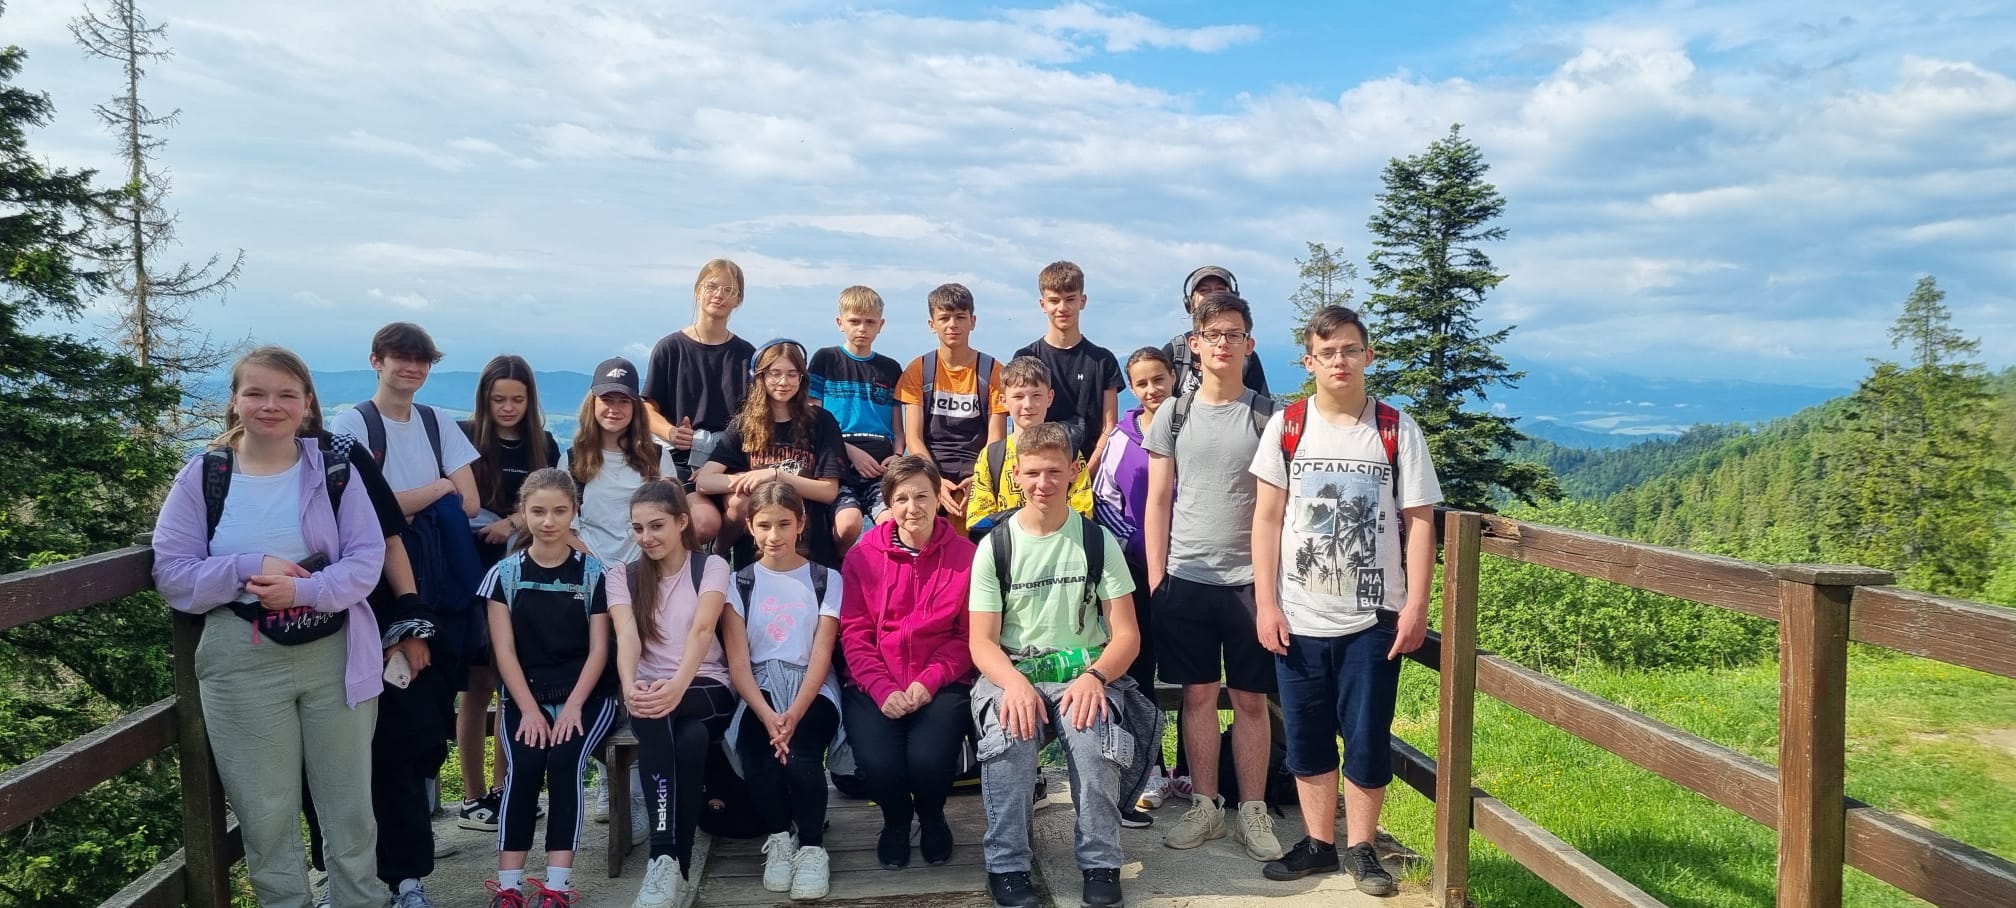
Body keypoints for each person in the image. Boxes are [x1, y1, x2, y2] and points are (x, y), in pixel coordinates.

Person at [152, 346, 388, 908]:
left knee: (349, 803)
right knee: (264, 809)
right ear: (235, 401)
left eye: (286, 394)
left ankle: (360, 900)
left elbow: (366, 560)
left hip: (334, 648)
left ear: (307, 404)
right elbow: (172, 573)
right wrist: (248, 567)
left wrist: (302, 590)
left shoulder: (333, 471)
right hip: (240, 654)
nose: (270, 405)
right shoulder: (204, 476)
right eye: (255, 393)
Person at [1250, 306, 1442, 896]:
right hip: (1299, 614)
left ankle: (1362, 848)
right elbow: (1266, 519)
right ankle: (1318, 843)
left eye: (1350, 350)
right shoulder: (1287, 426)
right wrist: (1266, 604)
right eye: (1328, 352)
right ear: (1309, 361)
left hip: (1373, 618)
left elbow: (1421, 522)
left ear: (1368, 356)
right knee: (1306, 737)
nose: (1340, 361)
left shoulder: (1395, 429)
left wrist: (1416, 605)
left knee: (1367, 736)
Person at [328, 322, 486, 908]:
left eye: (421, 360)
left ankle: (403, 874)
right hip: (370, 598)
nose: (411, 368)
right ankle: (363, 877)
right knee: (358, 743)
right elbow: (366, 509)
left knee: (417, 731)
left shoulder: (437, 421)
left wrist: (410, 499)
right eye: (400, 358)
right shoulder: (352, 424)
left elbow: (471, 500)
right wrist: (437, 487)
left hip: (434, 601)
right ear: (376, 361)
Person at [967, 423, 1149, 908]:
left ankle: (1100, 862)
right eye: (1031, 473)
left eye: (1053, 471)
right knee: (1009, 736)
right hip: (1013, 671)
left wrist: (1095, 677)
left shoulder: (1097, 542)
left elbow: (1127, 635)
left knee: (1092, 739)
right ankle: (1007, 865)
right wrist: (1013, 684)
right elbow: (981, 642)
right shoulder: (995, 546)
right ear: (1016, 475)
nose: (1042, 483)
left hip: (1083, 672)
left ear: (1073, 472)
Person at [1145, 291, 1285, 862]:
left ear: (1250, 345)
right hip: (1187, 576)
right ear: (1194, 345)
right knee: (1197, 695)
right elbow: (1158, 500)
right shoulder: (1173, 414)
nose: (1223, 344)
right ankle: (1205, 806)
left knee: (1252, 700)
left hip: (1252, 582)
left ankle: (1252, 811)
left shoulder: (1271, 417)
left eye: (1233, 334)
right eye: (1212, 335)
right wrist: (1158, 578)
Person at [478, 469, 620, 908]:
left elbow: (599, 651)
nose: (548, 521)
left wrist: (574, 706)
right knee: (522, 770)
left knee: (564, 763)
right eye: (538, 511)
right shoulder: (503, 575)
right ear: (523, 512)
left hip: (587, 696)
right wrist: (529, 709)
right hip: (527, 696)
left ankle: (556, 887)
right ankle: (509, 887)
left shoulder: (594, 574)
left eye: (560, 511)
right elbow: (504, 652)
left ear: (575, 512)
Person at [838, 456, 977, 871]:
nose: (912, 508)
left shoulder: (967, 556)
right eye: (901, 499)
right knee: (879, 764)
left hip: (941, 680)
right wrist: (882, 688)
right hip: (873, 682)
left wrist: (928, 682)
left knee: (929, 762)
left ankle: (932, 817)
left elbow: (966, 637)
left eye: (922, 496)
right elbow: (855, 634)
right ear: (888, 504)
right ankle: (895, 822)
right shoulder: (862, 556)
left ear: (938, 499)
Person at [609, 480, 738, 908]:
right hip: (651, 693)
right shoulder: (622, 576)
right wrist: (630, 686)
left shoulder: (711, 566)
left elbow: (703, 630)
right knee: (689, 738)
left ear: (682, 522)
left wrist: (677, 686)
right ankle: (675, 869)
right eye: (638, 528)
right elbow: (627, 636)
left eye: (657, 525)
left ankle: (660, 858)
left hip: (705, 685)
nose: (646, 537)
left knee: (660, 713)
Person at [721, 482, 845, 901]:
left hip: (812, 686)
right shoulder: (739, 583)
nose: (774, 535)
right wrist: (768, 714)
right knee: (758, 754)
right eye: (764, 525)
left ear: (801, 523)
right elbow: (739, 664)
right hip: (759, 687)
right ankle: (779, 836)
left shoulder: (825, 579)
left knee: (802, 755)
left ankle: (811, 847)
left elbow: (821, 654)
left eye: (784, 524)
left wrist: (793, 713)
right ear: (750, 527)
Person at [458, 354, 562, 833]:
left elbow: (555, 500)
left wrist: (515, 521)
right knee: (476, 687)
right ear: (485, 399)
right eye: (498, 399)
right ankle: (472, 795)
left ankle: (507, 788)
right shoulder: (463, 437)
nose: (507, 408)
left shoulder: (545, 444)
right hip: (471, 571)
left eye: (517, 399)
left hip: (523, 575)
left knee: (511, 684)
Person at [1090, 346, 1180, 812]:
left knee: (1193, 673)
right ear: (1131, 387)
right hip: (1137, 569)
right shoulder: (1122, 438)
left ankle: (1191, 770)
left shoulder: (1191, 426)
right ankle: (1151, 770)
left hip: (1190, 565)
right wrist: (1135, 545)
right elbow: (1104, 499)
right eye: (1142, 383)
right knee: (1141, 671)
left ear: (1173, 377)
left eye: (1158, 379)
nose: (1151, 389)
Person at [695, 339, 848, 568]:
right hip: (756, 557)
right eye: (775, 373)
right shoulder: (745, 424)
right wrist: (749, 480)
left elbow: (828, 491)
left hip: (811, 550)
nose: (783, 382)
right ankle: (719, 553)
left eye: (792, 374)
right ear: (760, 377)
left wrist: (775, 475)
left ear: (801, 378)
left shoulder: (822, 421)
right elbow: (705, 481)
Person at [641, 259, 757, 546]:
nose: (719, 295)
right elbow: (646, 407)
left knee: (743, 507)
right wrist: (671, 432)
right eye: (712, 286)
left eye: (729, 290)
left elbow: (757, 414)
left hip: (730, 458)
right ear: (697, 290)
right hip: (682, 457)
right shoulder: (670, 348)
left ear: (739, 300)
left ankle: (719, 560)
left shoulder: (747, 355)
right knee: (704, 522)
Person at [894, 283, 1006, 530]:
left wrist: (979, 480)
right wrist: (934, 480)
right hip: (930, 465)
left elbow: (996, 439)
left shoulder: (993, 371)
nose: (952, 324)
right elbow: (913, 437)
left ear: (972, 321)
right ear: (931, 324)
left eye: (960, 317)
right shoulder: (919, 369)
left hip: (977, 467)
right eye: (944, 318)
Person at [808, 285, 904, 554]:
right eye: (854, 321)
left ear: (880, 325)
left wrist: (898, 455)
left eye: (870, 322)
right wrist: (850, 452)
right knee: (849, 524)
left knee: (893, 524)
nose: (862, 328)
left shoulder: (890, 368)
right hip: (838, 463)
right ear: (840, 323)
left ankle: (878, 568)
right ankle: (840, 564)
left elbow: (898, 427)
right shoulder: (825, 359)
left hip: (879, 466)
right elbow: (813, 418)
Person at [560, 357, 677, 566]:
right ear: (592, 404)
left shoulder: (658, 457)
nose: (614, 408)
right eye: (607, 399)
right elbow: (565, 529)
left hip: (646, 568)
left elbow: (670, 523)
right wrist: (597, 570)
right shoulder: (572, 460)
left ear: (635, 407)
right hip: (587, 568)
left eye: (624, 401)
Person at [965, 356, 1095, 539]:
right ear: (1003, 400)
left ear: (1049, 398)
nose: (1028, 405)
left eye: (1036, 395)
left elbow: (1083, 513)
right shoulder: (991, 456)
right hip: (1008, 550)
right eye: (1018, 396)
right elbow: (978, 521)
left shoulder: (1069, 452)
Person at [1012, 261, 1121, 474]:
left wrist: (1085, 473)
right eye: (1054, 300)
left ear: (1083, 301)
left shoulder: (1103, 360)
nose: (1062, 308)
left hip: (1091, 472)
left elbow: (1109, 426)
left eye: (1070, 299)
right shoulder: (1026, 357)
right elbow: (1020, 421)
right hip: (1039, 473)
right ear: (1043, 304)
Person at [1162, 266, 1271, 399]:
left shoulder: (1245, 355)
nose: (1213, 296)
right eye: (1204, 290)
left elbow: (1262, 402)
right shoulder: (1174, 352)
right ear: (1190, 302)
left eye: (1220, 290)